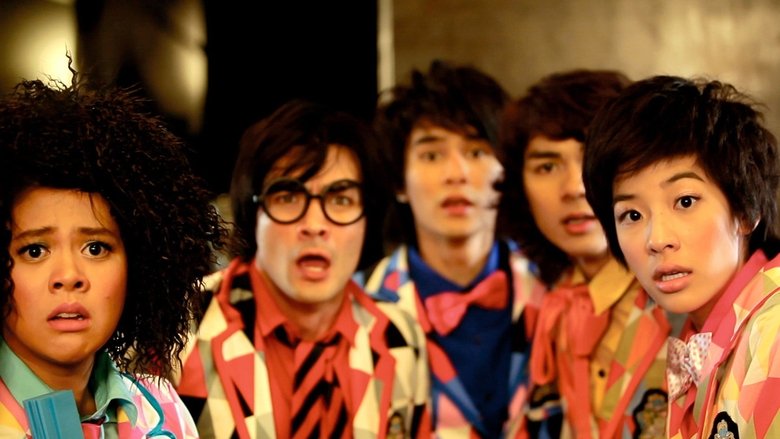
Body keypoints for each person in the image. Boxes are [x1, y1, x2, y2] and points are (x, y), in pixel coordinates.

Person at [174, 99, 431, 438]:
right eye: (288, 197)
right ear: (253, 211)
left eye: (340, 200)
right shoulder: (178, 323)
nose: (314, 225)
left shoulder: (400, 338)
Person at [0, 73, 226, 437]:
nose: (69, 275)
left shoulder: (165, 410)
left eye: (95, 248)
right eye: (35, 250)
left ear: (138, 265)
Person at [583, 75, 780, 438]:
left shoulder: (774, 334)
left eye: (685, 201)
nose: (657, 240)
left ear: (745, 210)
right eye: (632, 215)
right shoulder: (702, 332)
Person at [359, 59, 545, 438]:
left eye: (476, 152)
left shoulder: (556, 287)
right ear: (399, 182)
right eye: (432, 155)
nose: (456, 174)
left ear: (506, 169)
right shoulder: (357, 306)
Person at [499, 69, 679, 438]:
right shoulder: (546, 303)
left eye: (590, 158)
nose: (574, 187)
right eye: (547, 166)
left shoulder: (685, 290)